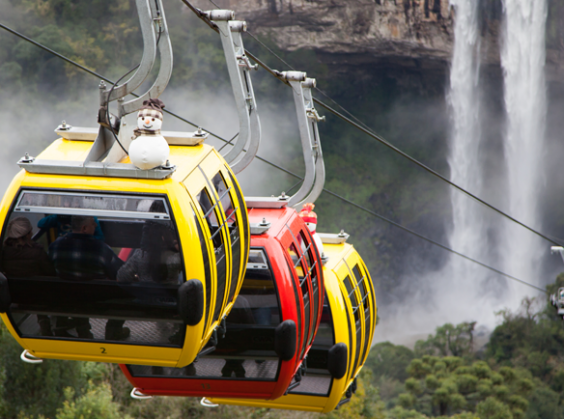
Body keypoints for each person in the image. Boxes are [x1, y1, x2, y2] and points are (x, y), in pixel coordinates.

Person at [49, 216, 127, 339]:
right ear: (84, 228)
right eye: (93, 223)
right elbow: (119, 273)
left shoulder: (55, 245)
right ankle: (114, 329)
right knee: (126, 290)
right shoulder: (101, 248)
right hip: (97, 300)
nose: (95, 226)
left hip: (66, 298)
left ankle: (82, 329)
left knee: (75, 290)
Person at [0, 217, 56, 336]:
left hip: (15, 297)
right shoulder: (37, 251)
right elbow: (50, 272)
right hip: (38, 297)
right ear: (28, 234)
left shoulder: (4, 252)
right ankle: (47, 324)